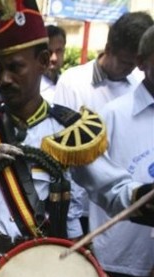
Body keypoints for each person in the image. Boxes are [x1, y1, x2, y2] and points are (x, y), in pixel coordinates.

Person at [0, 1, 154, 277]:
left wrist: (139, 197)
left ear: (43, 60)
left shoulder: (71, 130)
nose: (4, 78)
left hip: (52, 270)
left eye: (15, 67)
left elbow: (112, 188)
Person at [53, 11, 154, 234]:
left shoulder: (139, 82)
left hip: (126, 213)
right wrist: (72, 224)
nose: (133, 69)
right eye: (127, 62)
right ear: (109, 48)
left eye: (138, 63)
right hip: (82, 215)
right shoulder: (73, 83)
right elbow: (65, 156)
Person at [88, 24, 154, 277]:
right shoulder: (112, 115)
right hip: (115, 255)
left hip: (151, 262)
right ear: (142, 62)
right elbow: (93, 181)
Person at [40, 24, 66, 102]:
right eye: (49, 52)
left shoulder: (68, 86)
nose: (54, 58)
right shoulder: (30, 90)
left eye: (58, 51)